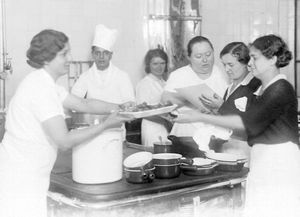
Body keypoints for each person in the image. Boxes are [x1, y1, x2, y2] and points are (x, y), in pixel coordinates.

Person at [0, 29, 133, 217]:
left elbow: (82, 103)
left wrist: (120, 107)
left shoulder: (47, 84)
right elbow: (63, 141)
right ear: (47, 58)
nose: (70, 58)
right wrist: (105, 125)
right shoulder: (40, 88)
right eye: (64, 54)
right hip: (20, 177)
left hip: (29, 173)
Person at [174, 34, 300, 217]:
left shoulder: (280, 88)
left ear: (272, 59)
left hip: (279, 162)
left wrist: (200, 116)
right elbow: (247, 124)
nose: (250, 64)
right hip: (264, 159)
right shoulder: (265, 89)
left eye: (255, 58)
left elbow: (244, 123)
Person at [71, 24, 135, 140]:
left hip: (116, 131)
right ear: (93, 55)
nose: (101, 57)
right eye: (97, 53)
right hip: (92, 131)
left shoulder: (122, 76)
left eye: (105, 53)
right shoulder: (85, 77)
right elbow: (74, 102)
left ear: (111, 55)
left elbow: (130, 105)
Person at [199, 42, 261, 160]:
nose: (227, 69)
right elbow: (228, 117)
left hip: (246, 150)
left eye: (230, 65)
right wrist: (214, 113)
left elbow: (251, 124)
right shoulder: (230, 87)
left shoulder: (256, 86)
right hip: (227, 147)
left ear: (245, 63)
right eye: (224, 65)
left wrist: (222, 106)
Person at [161, 35, 229, 137]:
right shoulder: (179, 75)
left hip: (216, 134)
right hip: (186, 134)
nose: (205, 60)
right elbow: (165, 105)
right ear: (189, 57)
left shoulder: (223, 73)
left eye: (208, 54)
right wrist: (187, 98)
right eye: (198, 56)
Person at [136, 48, 171, 147]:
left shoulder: (165, 83)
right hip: (152, 127)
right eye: (155, 64)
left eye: (162, 63)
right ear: (148, 65)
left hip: (166, 127)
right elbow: (141, 111)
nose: (159, 67)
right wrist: (165, 122)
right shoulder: (144, 84)